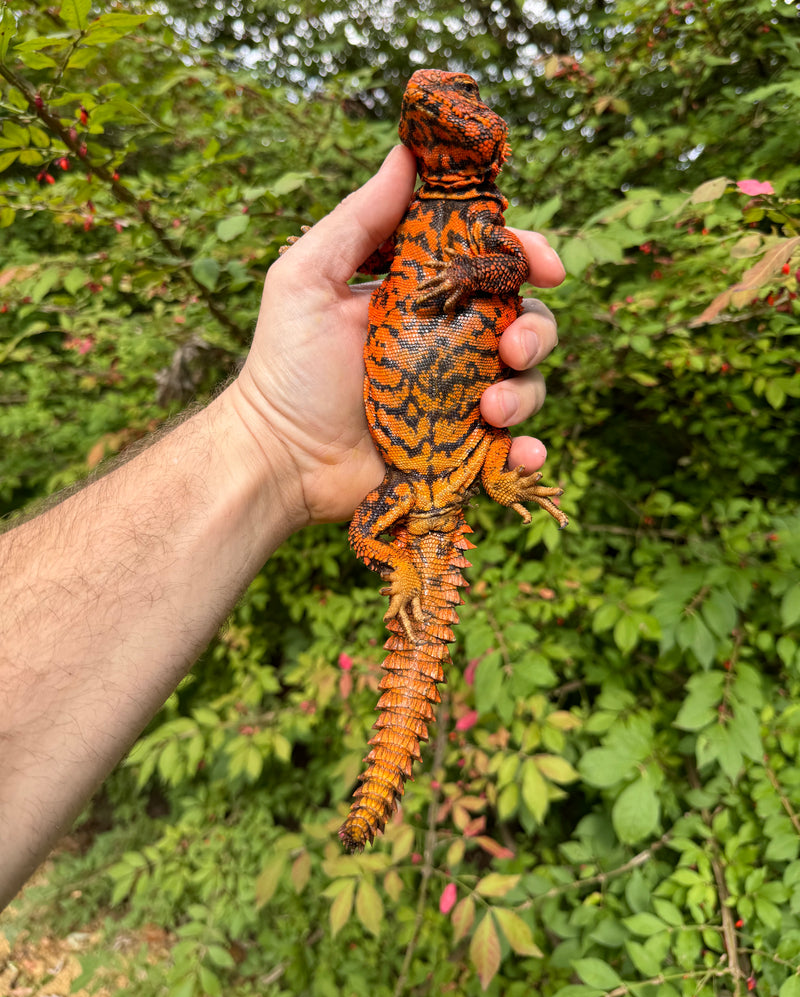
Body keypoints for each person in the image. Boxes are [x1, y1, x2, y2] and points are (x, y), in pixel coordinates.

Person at [0, 145, 565, 909]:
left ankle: (491, 488)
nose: (437, 95)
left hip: (448, 465)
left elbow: (503, 273)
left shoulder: (490, 232)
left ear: (491, 141)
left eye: (460, 91)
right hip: (424, 469)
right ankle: (414, 561)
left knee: (495, 430)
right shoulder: (414, 218)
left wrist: (473, 278)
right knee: (396, 525)